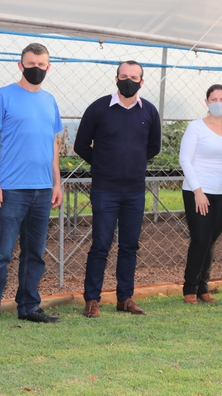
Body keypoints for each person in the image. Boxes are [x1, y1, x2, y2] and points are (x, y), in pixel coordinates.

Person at [0, 43, 63, 328]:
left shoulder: (50, 101)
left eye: (41, 64)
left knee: (35, 253)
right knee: (1, 253)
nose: (36, 68)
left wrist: (57, 183)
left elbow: (53, 144)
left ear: (48, 67)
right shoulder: (3, 96)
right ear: (20, 65)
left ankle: (28, 306)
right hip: (11, 188)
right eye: (31, 64)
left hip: (43, 189)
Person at [74, 61, 161, 318]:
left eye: (134, 77)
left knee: (129, 246)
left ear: (141, 82)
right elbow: (81, 145)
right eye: (124, 76)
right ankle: (92, 299)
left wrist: (132, 163)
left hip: (134, 191)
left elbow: (153, 147)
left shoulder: (149, 111)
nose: (128, 81)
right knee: (100, 245)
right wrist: (103, 164)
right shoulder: (99, 108)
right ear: (116, 78)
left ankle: (125, 298)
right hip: (105, 190)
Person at [179, 84, 222, 305]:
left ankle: (203, 287)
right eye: (213, 99)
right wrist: (198, 191)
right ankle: (190, 288)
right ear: (206, 102)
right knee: (200, 239)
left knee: (211, 240)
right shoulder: (195, 127)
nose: (218, 103)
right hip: (198, 191)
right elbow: (185, 160)